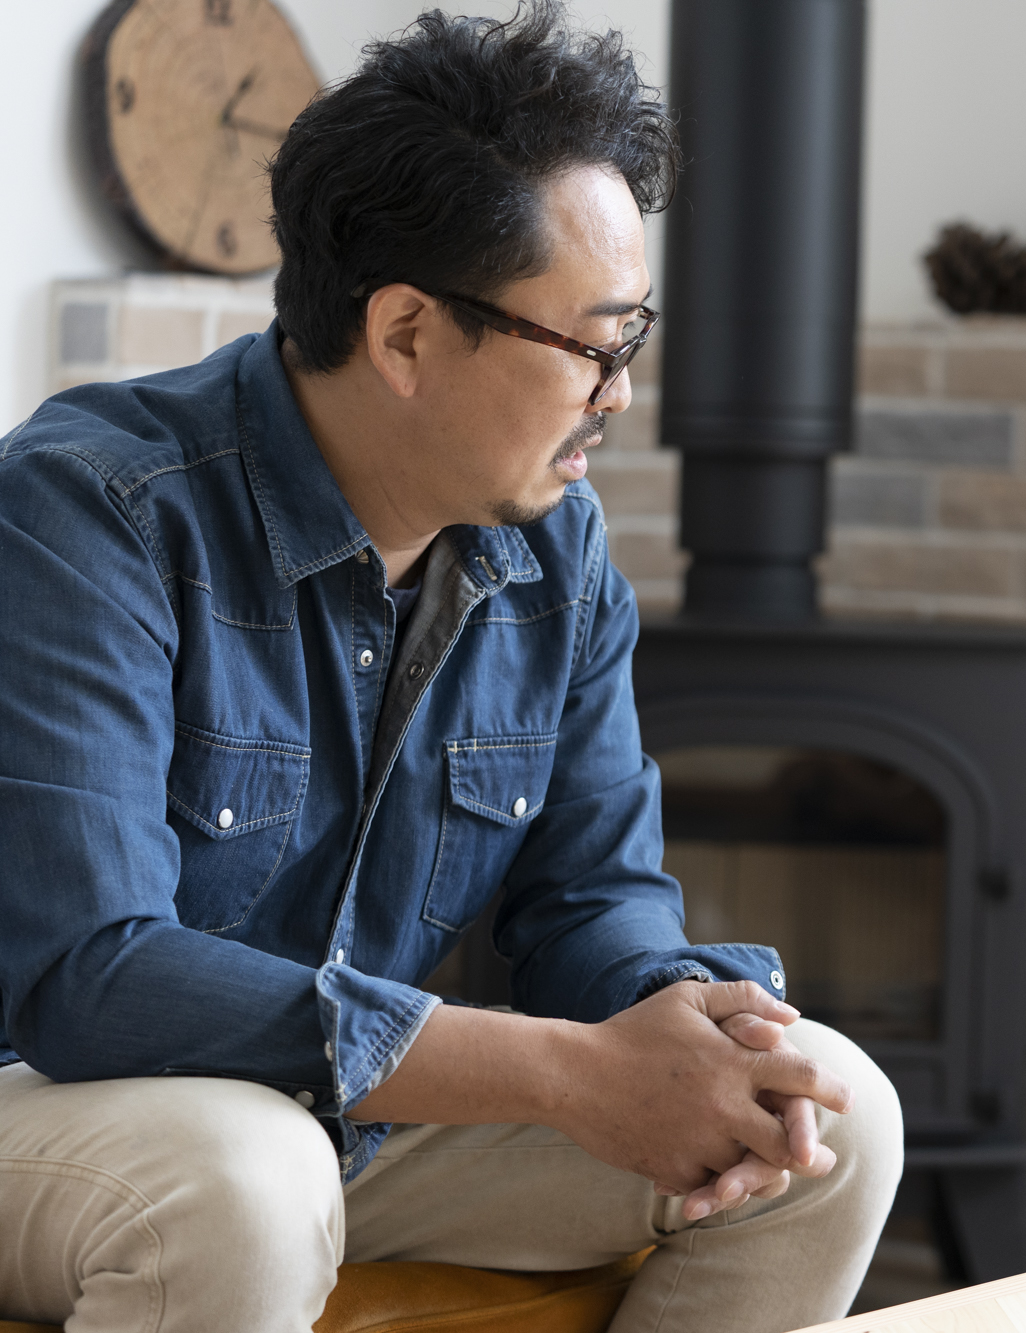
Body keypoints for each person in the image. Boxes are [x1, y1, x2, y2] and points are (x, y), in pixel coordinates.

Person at [0, 6, 900, 1330]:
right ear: (407, 334)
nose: (621, 394)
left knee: (831, 1118)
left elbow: (592, 900)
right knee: (244, 1182)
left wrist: (689, 1026)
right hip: (62, 1106)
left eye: (633, 341)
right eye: (595, 345)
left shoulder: (556, 550)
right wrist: (555, 1073)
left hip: (360, 1132)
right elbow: (92, 977)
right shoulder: (90, 512)